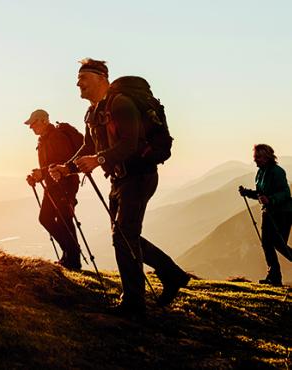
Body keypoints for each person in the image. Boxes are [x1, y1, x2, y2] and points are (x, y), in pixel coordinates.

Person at [49, 58, 189, 317]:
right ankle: (172, 275)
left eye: (83, 78)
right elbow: (88, 148)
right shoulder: (93, 113)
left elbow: (131, 144)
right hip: (119, 179)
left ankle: (134, 302)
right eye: (78, 78)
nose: (78, 83)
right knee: (125, 235)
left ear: (102, 79)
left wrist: (99, 160)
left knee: (122, 235)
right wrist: (67, 168)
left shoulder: (121, 103)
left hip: (139, 176)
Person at [25, 109, 82, 270]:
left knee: (61, 219)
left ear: (43, 121)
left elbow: (62, 162)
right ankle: (70, 256)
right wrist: (38, 176)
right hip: (53, 185)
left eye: (33, 123)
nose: (31, 127)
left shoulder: (56, 137)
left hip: (65, 184)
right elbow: (50, 164)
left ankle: (72, 258)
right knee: (55, 219)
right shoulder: (44, 140)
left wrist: (41, 173)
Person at [239, 144, 292, 286]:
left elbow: (286, 193)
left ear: (267, 157)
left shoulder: (277, 172)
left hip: (282, 213)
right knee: (267, 244)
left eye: (258, 157)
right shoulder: (260, 173)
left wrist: (271, 199)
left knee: (279, 244)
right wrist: (247, 193)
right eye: (254, 157)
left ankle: (274, 276)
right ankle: (274, 277)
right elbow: (260, 194)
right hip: (268, 213)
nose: (255, 160)